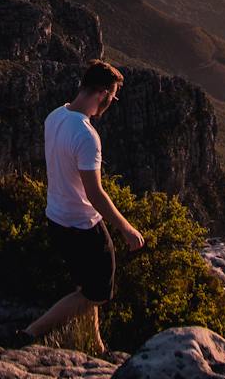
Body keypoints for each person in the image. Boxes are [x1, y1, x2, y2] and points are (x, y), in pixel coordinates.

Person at [24, 60, 145, 352]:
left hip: (56, 216)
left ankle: (96, 345)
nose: (111, 103)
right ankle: (31, 332)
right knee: (98, 293)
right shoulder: (87, 136)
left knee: (87, 287)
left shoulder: (55, 116)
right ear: (102, 93)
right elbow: (95, 193)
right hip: (81, 224)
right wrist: (127, 229)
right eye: (113, 97)